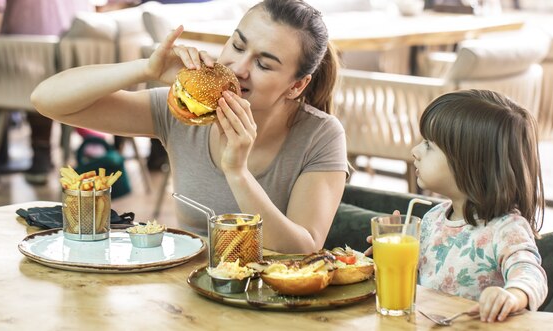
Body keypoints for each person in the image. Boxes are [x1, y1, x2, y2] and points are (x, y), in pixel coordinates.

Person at [31, 0, 348, 253]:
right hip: (187, 287)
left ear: (296, 86)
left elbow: (303, 247)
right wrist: (145, 68)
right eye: (237, 46)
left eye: (264, 64)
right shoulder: (186, 111)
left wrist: (237, 172)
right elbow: (46, 99)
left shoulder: (321, 135)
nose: (238, 69)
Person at [366, 90, 547, 322]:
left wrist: (512, 295)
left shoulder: (506, 229)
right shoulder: (432, 219)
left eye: (429, 145)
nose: (416, 151)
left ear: (470, 162)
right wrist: (388, 254)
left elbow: (531, 274)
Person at [0, 0, 94, 190]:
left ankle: (39, 153)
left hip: (22, 57)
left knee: (24, 75)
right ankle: (43, 154)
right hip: (79, 56)